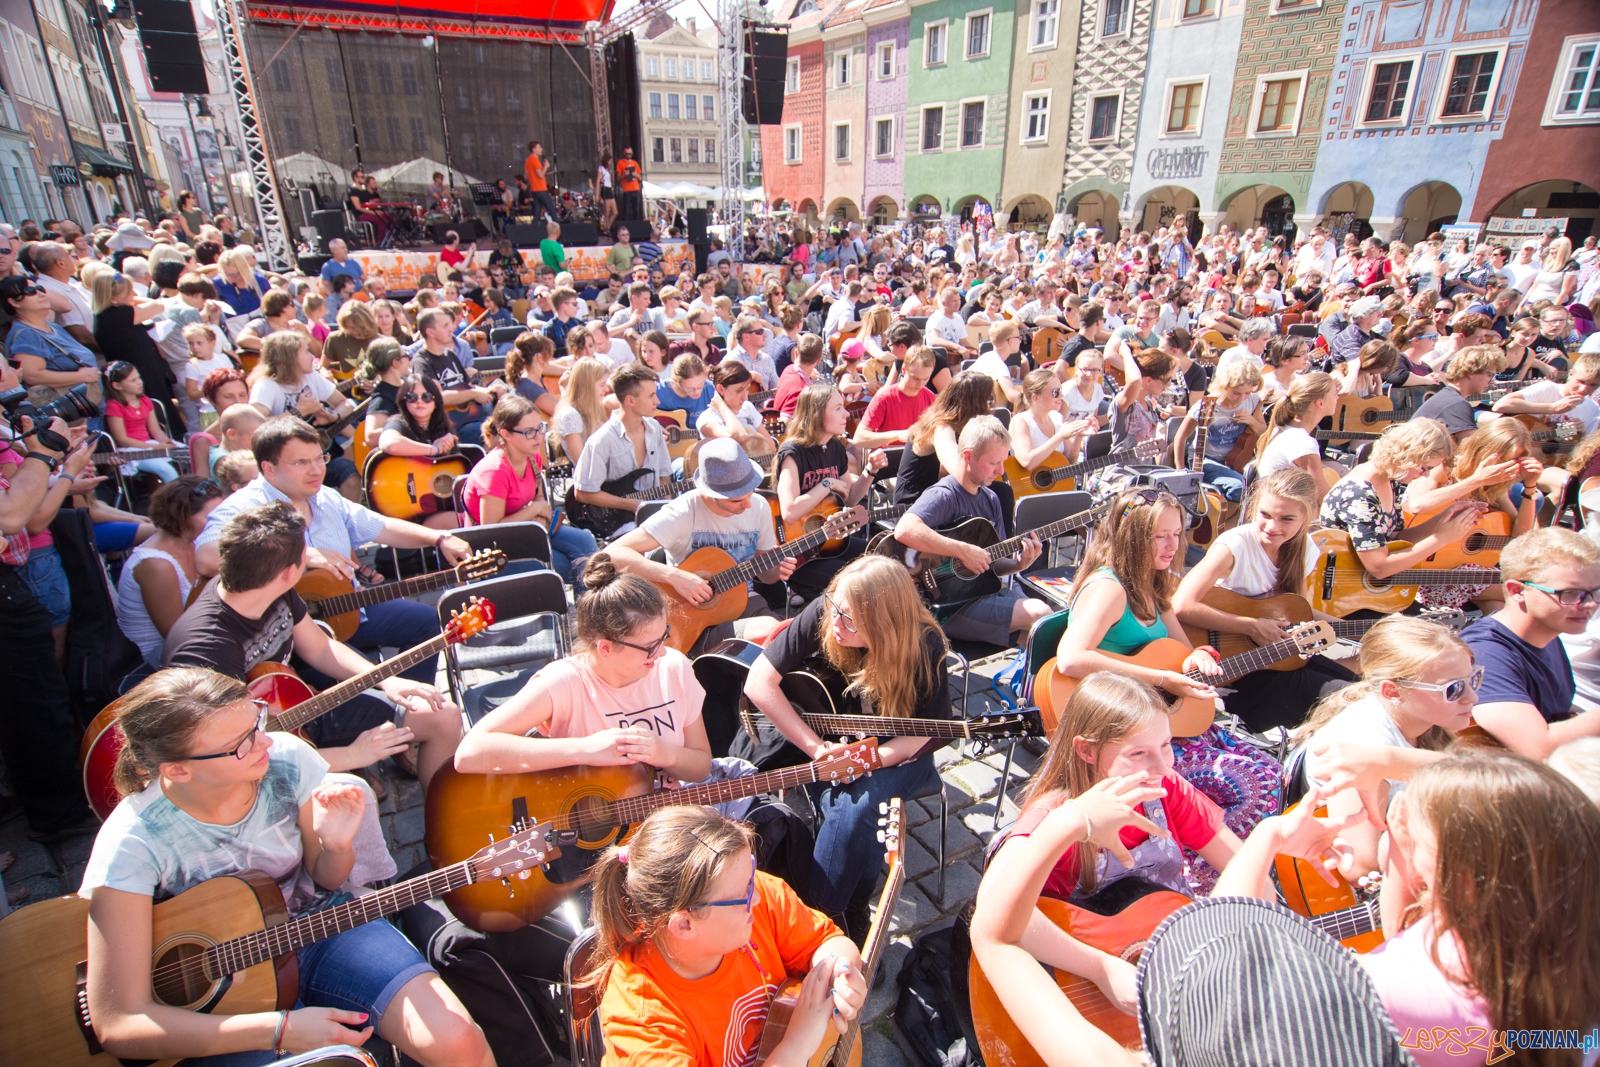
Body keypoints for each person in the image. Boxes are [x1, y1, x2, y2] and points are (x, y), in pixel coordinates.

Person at [80, 668, 492, 1067]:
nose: (264, 742)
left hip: (315, 930)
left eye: (257, 719)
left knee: (458, 1040)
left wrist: (336, 845)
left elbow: (325, 879)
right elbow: (119, 1022)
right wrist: (279, 1029)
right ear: (177, 770)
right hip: (219, 1006)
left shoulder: (286, 759)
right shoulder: (133, 842)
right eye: (241, 743)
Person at [1213, 750, 1600, 1067]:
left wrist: (1269, 835)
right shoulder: (1556, 924)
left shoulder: (1397, 987)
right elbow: (1400, 930)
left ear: (1456, 866)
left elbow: (1225, 965)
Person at [977, 672, 1240, 1020]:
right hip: (1084, 980)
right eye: (1139, 752)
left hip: (1166, 944)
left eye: (1166, 744)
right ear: (1086, 750)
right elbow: (993, 912)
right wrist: (1100, 969)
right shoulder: (1052, 818)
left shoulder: (1165, 786)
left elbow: (1239, 862)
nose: (1163, 766)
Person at [173, 501, 464, 785]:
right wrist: (350, 756)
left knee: (443, 716)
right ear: (290, 572)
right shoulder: (205, 649)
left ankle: (443, 829)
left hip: (296, 706)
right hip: (254, 759)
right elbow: (231, 757)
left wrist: (385, 679)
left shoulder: (269, 586)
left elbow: (319, 647)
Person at [576, 805, 865, 1067]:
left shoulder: (750, 892)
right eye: (743, 894)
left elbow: (828, 941)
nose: (755, 898)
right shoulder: (642, 1022)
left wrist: (842, 973)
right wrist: (797, 1045)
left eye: (751, 873)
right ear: (684, 925)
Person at [452, 554, 713, 785]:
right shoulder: (564, 682)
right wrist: (584, 749)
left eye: (663, 636)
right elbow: (469, 753)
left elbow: (701, 768)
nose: (662, 652)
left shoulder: (674, 667)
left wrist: (663, 753)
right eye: (650, 646)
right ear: (606, 648)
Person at [1284, 615, 1472, 875]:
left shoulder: (1424, 720)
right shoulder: (1365, 740)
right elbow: (1359, 866)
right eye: (1454, 688)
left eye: (1473, 679)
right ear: (1392, 692)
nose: (1472, 696)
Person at [1173, 468, 1359, 732]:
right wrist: (1252, 626)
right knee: (1345, 698)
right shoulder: (1235, 544)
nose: (1273, 527)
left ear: (1306, 517)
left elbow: (1298, 612)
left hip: (1276, 658)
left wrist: (1359, 629)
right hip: (1237, 671)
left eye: (1286, 519)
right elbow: (1182, 605)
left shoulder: (1304, 549)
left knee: (1361, 689)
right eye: (1265, 515)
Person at [606, 438, 795, 651]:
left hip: (743, 602)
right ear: (709, 493)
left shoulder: (759, 506)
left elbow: (766, 577)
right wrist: (675, 577)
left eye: (750, 493)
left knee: (786, 638)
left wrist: (776, 569)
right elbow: (611, 554)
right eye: (736, 500)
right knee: (771, 633)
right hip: (690, 616)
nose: (748, 504)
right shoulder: (684, 511)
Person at [1054, 488, 1222, 701]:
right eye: (1161, 536)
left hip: (1141, 706)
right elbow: (1070, 659)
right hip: (1106, 706)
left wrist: (1198, 655)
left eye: (1178, 534)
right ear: (1131, 538)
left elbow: (1184, 650)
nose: (1173, 545)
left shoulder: (1152, 580)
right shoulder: (1109, 589)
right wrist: (1161, 679)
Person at [893, 416, 1050, 644]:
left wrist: (1019, 564)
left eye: (1004, 461)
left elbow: (992, 563)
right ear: (967, 456)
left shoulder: (990, 498)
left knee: (1042, 632)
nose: (1001, 470)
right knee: (1039, 614)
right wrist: (962, 551)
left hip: (980, 591)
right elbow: (905, 529)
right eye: (994, 463)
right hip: (947, 604)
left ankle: (1031, 681)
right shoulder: (944, 495)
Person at [1463, 527, 1600, 758]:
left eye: (1595, 592)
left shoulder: (1549, 631)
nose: (1589, 604)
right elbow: (1537, 747)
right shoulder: (1485, 652)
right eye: (1569, 593)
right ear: (1517, 590)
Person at [1318, 418, 1482, 586]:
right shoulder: (1360, 494)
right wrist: (1441, 538)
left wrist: (1444, 519)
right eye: (1424, 468)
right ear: (1406, 456)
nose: (1425, 475)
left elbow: (1395, 538)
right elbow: (1379, 567)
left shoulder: (1390, 479)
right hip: (1341, 590)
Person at [463, 396, 597, 581]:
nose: (538, 437)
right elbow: (491, 531)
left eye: (539, 428)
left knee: (585, 542)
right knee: (567, 565)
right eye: (529, 432)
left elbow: (539, 497)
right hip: (492, 553)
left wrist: (538, 514)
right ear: (506, 434)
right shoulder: (494, 471)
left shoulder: (531, 457)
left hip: (526, 530)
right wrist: (534, 511)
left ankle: (587, 608)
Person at [776, 383, 886, 600]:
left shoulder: (835, 447)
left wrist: (870, 470)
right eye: (837, 408)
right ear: (817, 414)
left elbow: (851, 497)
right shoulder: (793, 453)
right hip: (800, 554)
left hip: (829, 541)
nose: (846, 413)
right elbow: (789, 513)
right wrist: (826, 484)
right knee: (857, 580)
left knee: (880, 559)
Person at [115, 475, 227, 668]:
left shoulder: (196, 544)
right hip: (155, 661)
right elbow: (176, 635)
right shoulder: (155, 564)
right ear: (181, 516)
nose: (221, 522)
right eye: (211, 517)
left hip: (196, 639)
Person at [247, 332, 361, 499]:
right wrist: (297, 412)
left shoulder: (311, 376)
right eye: (306, 351)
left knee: (350, 474)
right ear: (290, 357)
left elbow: (346, 404)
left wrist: (334, 416)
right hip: (284, 462)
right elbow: (253, 423)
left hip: (316, 455)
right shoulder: (266, 385)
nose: (313, 356)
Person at [570, 363, 671, 536]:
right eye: (651, 396)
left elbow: (663, 478)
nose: (657, 401)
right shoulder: (601, 441)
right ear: (630, 400)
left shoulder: (654, 428)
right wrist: (630, 504)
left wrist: (666, 511)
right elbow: (582, 493)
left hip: (652, 519)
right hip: (616, 524)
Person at [93, 269, 187, 437]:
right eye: (129, 292)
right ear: (113, 299)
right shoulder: (116, 316)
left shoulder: (112, 314)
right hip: (138, 378)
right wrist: (132, 300)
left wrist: (126, 297)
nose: (134, 295)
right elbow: (157, 305)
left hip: (146, 373)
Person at [1175, 359, 1265, 503]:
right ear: (1224, 386)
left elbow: (1263, 431)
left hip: (1238, 460)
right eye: (1236, 393)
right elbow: (1181, 436)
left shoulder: (1252, 400)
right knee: (1240, 488)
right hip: (1206, 461)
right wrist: (1181, 471)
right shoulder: (1207, 405)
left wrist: (1251, 420)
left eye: (1247, 392)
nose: (1241, 398)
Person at [1253, 370, 1343, 498]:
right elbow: (1322, 499)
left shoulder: (1284, 430)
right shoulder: (1302, 442)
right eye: (1334, 394)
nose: (1337, 398)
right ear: (1320, 403)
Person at [103, 360, 180, 482]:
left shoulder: (145, 400)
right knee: (166, 470)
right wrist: (154, 447)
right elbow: (121, 439)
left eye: (138, 378)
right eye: (133, 380)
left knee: (189, 453)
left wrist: (165, 441)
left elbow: (155, 429)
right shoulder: (114, 406)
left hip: (150, 445)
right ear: (117, 386)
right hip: (132, 451)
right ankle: (181, 498)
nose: (139, 382)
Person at [1009, 368, 1093, 472]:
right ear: (1036, 398)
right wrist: (1060, 436)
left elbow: (1069, 460)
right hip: (1028, 487)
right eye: (1055, 392)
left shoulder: (1057, 418)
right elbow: (1027, 462)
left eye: (1060, 390)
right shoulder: (1021, 421)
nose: (1061, 396)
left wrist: (1079, 435)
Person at [697, 360, 777, 455]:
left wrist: (754, 435)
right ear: (720, 389)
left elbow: (772, 447)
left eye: (747, 389)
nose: (745, 397)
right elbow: (739, 436)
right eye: (739, 391)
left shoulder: (747, 407)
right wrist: (722, 407)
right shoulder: (706, 419)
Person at [523, 141, 558, 222]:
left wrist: (544, 174)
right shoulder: (535, 160)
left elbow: (526, 175)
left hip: (534, 189)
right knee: (551, 209)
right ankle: (558, 229)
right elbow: (540, 175)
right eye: (539, 147)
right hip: (541, 189)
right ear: (534, 149)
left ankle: (534, 230)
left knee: (537, 212)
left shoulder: (528, 160)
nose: (541, 149)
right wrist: (546, 166)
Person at [615, 147, 643, 222]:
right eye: (626, 154)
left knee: (636, 210)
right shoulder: (620, 163)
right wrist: (625, 174)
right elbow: (618, 178)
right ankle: (626, 225)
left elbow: (640, 178)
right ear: (624, 153)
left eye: (630, 154)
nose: (628, 155)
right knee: (626, 210)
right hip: (627, 190)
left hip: (636, 189)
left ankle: (636, 225)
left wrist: (636, 175)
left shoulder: (635, 163)